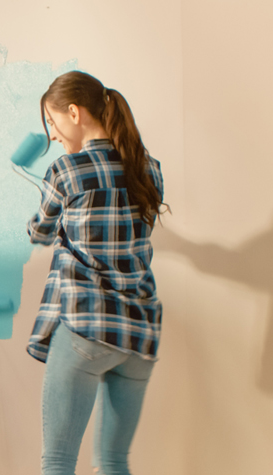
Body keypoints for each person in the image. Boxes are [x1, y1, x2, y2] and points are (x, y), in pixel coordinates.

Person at [28, 71, 166, 475]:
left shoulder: (66, 171)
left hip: (87, 326)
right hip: (139, 335)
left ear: (74, 112)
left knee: (57, 461)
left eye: (52, 122)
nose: (52, 134)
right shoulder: (150, 169)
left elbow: (40, 232)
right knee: (113, 461)